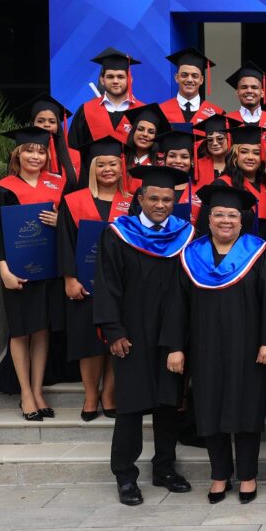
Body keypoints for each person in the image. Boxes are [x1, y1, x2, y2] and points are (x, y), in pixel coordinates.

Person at [164, 184, 266, 505]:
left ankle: (248, 475)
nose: (226, 220)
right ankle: (219, 474)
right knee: (209, 410)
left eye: (232, 215)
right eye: (219, 214)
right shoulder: (191, 255)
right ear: (208, 218)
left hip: (248, 350)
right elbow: (177, 305)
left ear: (242, 221)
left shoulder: (258, 254)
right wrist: (176, 347)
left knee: (246, 412)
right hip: (205, 349)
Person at [93, 165, 194, 506]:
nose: (161, 204)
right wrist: (113, 331)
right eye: (154, 198)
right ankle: (125, 475)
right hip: (131, 333)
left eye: (167, 199)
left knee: (168, 404)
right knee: (132, 407)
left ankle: (164, 468)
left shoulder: (185, 235)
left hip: (172, 335)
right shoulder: (118, 233)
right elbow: (106, 284)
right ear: (140, 199)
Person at [0, 127, 65, 421]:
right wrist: (3, 269)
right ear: (17, 153)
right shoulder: (3, 189)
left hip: (48, 271)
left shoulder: (56, 187)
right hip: (17, 273)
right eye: (29, 150)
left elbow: (69, 229)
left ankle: (37, 388)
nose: (35, 155)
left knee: (42, 329)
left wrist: (61, 221)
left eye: (41, 151)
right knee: (20, 331)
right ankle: (25, 393)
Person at [58, 137, 130, 421]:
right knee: (87, 342)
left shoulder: (131, 202)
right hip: (83, 285)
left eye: (113, 163)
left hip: (120, 286)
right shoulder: (74, 201)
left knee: (115, 339)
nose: (108, 169)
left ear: (121, 167)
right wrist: (69, 279)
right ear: (92, 168)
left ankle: (109, 393)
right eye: (101, 164)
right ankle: (91, 394)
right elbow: (65, 242)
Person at [204, 124, 266, 242]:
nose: (251, 157)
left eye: (256, 153)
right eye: (244, 152)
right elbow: (207, 226)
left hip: (265, 253)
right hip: (235, 254)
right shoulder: (222, 185)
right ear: (235, 156)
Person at [67, 48, 143, 148]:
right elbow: (73, 149)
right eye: (110, 76)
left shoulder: (143, 111)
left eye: (120, 77)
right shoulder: (86, 111)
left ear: (130, 80)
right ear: (102, 80)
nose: (115, 81)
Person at [22, 93, 80, 191]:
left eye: (52, 122)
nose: (47, 125)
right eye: (40, 121)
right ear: (32, 124)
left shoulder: (74, 156)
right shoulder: (22, 155)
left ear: (58, 126)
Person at [160, 48, 224, 125]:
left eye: (195, 76)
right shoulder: (161, 111)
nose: (189, 80)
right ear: (176, 78)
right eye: (184, 75)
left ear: (201, 80)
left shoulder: (216, 114)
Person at [121, 103, 171, 193]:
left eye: (151, 132)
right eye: (140, 129)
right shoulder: (121, 159)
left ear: (156, 137)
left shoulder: (161, 163)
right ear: (133, 132)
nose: (144, 134)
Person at [192, 115, 238, 187]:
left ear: (229, 138)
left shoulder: (238, 164)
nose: (214, 143)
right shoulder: (198, 166)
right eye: (210, 140)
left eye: (220, 138)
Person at [225, 62, 266, 129]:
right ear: (237, 92)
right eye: (244, 87)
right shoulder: (227, 120)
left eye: (254, 87)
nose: (249, 91)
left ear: (262, 93)